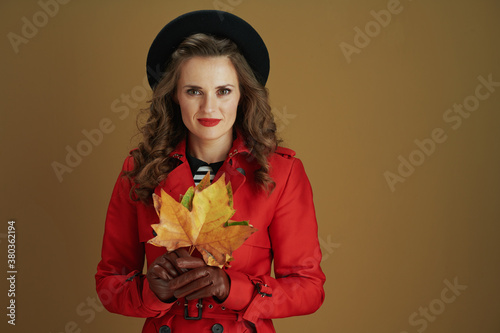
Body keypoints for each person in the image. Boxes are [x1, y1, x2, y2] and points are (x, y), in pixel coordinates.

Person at [96, 10, 325, 333]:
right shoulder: (138, 169)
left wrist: (231, 288)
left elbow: (309, 289)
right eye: (194, 91)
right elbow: (109, 283)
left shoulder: (282, 173)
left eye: (223, 91)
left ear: (243, 95)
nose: (208, 108)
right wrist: (151, 292)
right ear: (174, 96)